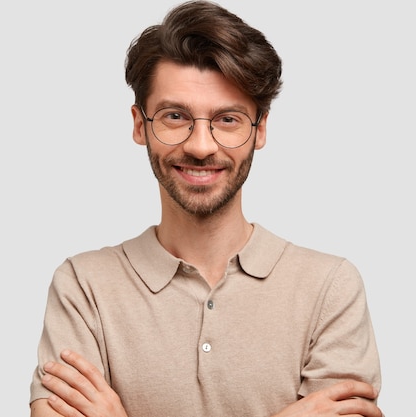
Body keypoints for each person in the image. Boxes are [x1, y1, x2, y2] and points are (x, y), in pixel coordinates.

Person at [29, 1, 382, 416]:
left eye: (228, 119)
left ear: (260, 128)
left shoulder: (330, 288)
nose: (201, 146)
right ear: (140, 124)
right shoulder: (83, 287)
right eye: (175, 116)